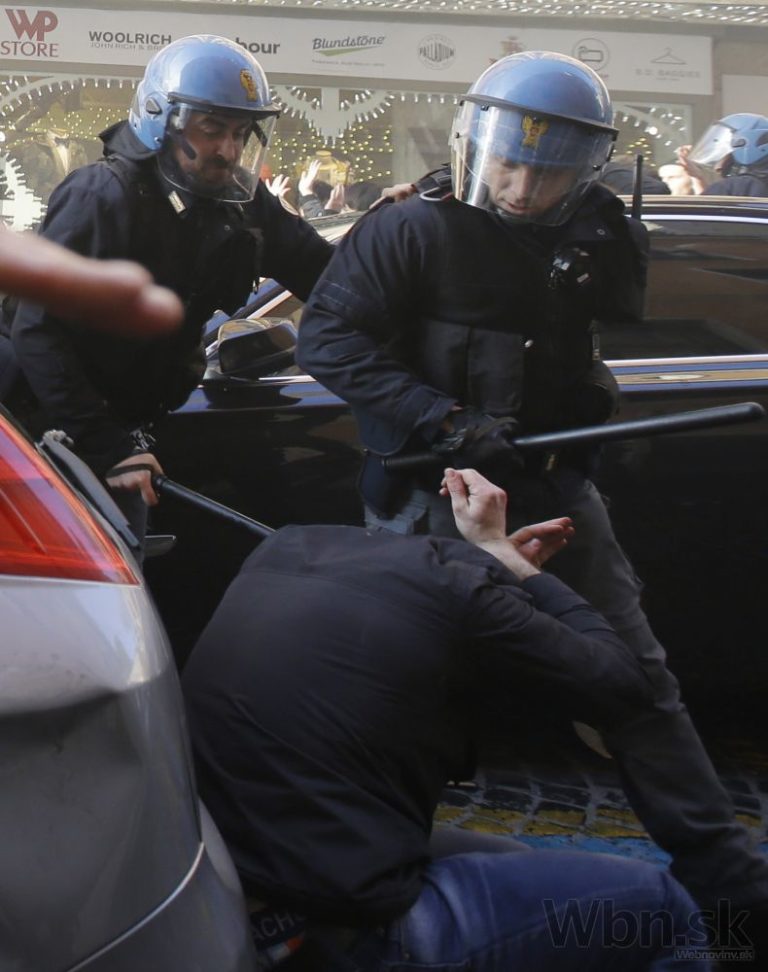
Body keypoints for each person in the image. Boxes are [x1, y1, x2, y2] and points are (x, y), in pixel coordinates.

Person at [296, 50, 768, 937]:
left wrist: (588, 394)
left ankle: (729, 882)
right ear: (478, 142)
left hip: (551, 488)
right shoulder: (412, 228)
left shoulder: (596, 229)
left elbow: (595, 336)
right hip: (430, 495)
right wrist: (443, 419)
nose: (520, 188)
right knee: (405, 686)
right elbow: (327, 341)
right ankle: (368, 883)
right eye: (510, 164)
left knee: (637, 676)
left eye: (546, 173)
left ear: (584, 169)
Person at [182, 465, 711, 971]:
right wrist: (520, 569)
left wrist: (492, 564)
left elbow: (456, 592)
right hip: (340, 920)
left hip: (229, 880)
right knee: (665, 910)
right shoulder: (466, 594)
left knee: (511, 855)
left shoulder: (286, 548)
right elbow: (622, 684)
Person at [7, 34, 333, 542]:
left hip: (128, 427)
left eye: (240, 133)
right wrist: (107, 446)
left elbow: (327, 276)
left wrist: (387, 238)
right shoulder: (102, 195)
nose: (228, 150)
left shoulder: (242, 203)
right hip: (41, 434)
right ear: (162, 120)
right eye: (212, 130)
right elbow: (38, 330)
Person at [677, 113, 768, 196]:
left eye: (724, 150)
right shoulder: (750, 186)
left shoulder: (738, 186)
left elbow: (706, 206)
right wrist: (698, 178)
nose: (718, 168)